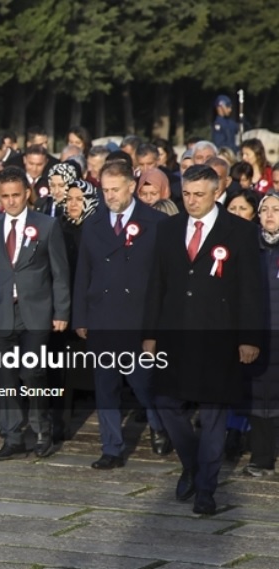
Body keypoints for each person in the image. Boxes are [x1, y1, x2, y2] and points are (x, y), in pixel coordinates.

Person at [143, 164, 262, 515]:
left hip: (219, 339)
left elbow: (249, 291)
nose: (191, 201)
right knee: (165, 402)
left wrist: (249, 338)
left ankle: (206, 489)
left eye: (199, 195)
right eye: (186, 195)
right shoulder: (167, 229)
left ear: (216, 192)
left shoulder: (238, 231)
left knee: (213, 414)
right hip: (174, 337)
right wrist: (149, 335)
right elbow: (156, 285)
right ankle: (192, 464)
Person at [0, 166, 71, 460]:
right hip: (1, 314)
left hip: (36, 313)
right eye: (6, 196)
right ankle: (12, 437)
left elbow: (60, 272)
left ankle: (41, 431)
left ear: (27, 194)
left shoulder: (47, 226)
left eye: (16, 195)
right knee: (6, 376)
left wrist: (62, 310)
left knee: (32, 372)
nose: (11, 201)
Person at [74, 160, 171, 467]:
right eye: (105, 190)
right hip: (102, 315)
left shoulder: (155, 223)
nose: (110, 196)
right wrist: (80, 317)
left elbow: (162, 277)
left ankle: (159, 425)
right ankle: (111, 448)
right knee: (105, 387)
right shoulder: (93, 223)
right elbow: (83, 273)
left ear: (132, 187)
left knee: (142, 382)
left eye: (116, 189)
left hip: (138, 317)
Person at [243, 192, 279, 477]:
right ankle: (262, 456)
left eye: (276, 209)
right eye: (264, 209)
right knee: (260, 396)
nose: (269, 214)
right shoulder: (248, 248)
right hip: (258, 333)